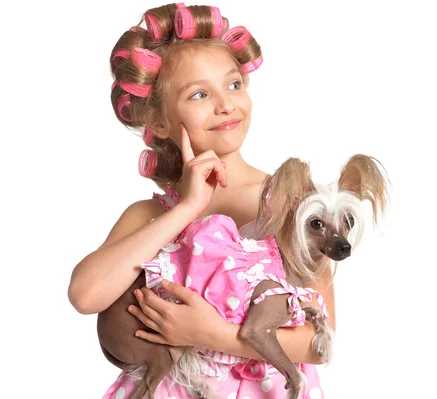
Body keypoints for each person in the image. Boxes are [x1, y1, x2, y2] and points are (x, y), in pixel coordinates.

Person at [67, 3, 333, 398]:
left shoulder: (295, 206)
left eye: (234, 84)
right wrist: (187, 209)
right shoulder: (150, 215)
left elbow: (317, 343)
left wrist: (211, 334)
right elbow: (85, 295)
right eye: (198, 94)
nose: (225, 104)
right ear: (158, 122)